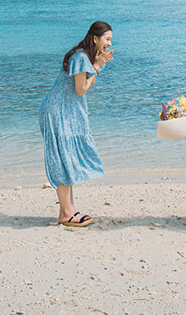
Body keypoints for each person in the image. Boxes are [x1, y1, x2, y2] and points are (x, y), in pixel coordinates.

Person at [39, 20, 114, 227]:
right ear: (95, 38)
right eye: (107, 39)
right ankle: (66, 213)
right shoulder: (81, 57)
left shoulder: (84, 56)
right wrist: (97, 67)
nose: (109, 43)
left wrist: (96, 66)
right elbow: (81, 90)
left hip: (65, 111)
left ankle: (69, 210)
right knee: (64, 160)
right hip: (57, 112)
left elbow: (82, 87)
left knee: (68, 159)